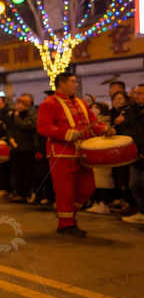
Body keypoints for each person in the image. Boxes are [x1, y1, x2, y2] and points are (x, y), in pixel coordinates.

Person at [37, 72, 113, 237]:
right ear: (62, 83)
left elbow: (93, 122)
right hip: (61, 153)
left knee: (88, 187)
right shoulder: (49, 104)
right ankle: (66, 224)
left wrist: (104, 129)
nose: (76, 84)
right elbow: (43, 127)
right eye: (72, 81)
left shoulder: (81, 102)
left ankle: (66, 213)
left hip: (83, 151)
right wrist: (67, 134)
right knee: (66, 192)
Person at [118, 84, 144, 224]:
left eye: (140, 93)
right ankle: (141, 211)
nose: (136, 96)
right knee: (135, 183)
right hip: (135, 153)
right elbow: (124, 128)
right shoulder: (129, 111)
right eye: (135, 93)